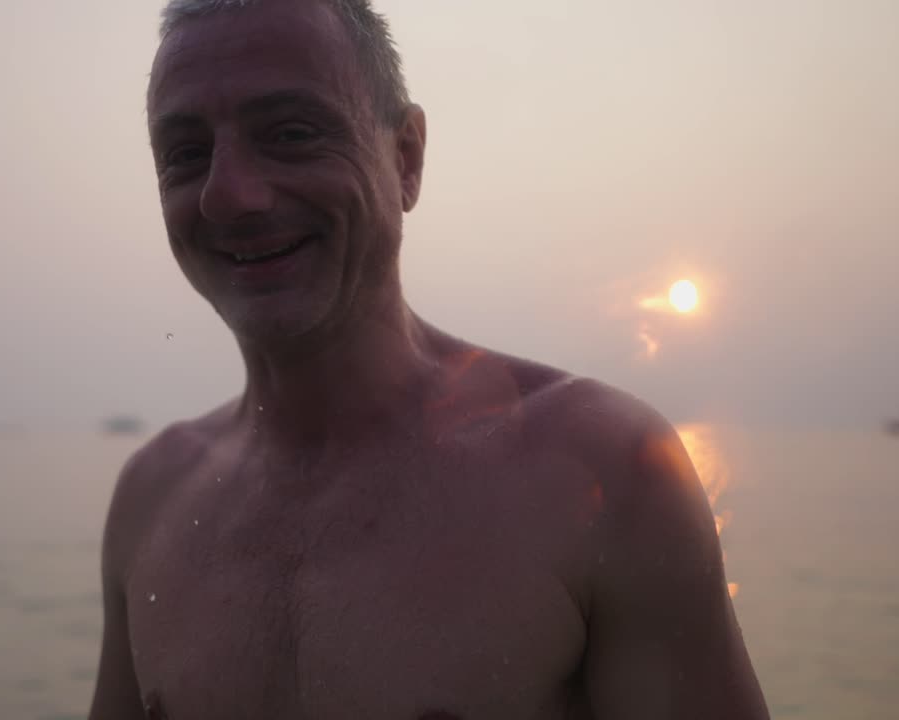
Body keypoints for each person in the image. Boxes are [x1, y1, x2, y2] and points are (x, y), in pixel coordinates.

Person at [90, 0, 770, 717]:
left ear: (406, 157)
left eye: (290, 134)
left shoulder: (603, 472)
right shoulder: (151, 501)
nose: (228, 195)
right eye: (187, 154)